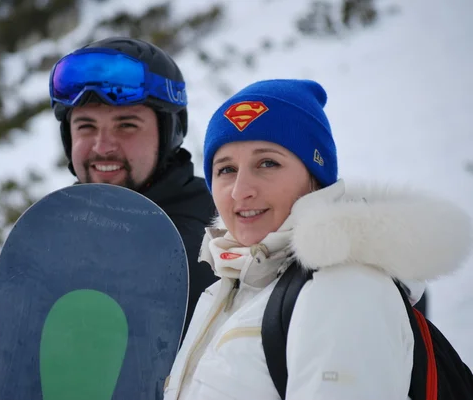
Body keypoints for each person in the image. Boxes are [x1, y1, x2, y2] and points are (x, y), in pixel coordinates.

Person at [163, 79, 472, 399]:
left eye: (267, 163)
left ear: (315, 178)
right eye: (226, 169)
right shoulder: (228, 288)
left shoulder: (344, 287)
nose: (241, 190)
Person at [49, 37, 218, 336]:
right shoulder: (55, 232)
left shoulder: (223, 231)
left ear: (170, 133)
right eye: (86, 126)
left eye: (126, 125)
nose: (103, 147)